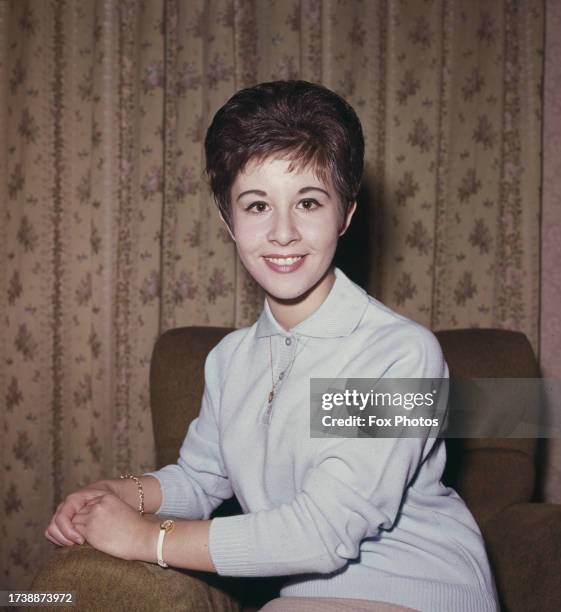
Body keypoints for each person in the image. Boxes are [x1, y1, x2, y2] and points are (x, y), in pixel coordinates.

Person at [45, 80, 500, 612]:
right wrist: (119, 494)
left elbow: (324, 530)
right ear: (228, 220)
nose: (283, 232)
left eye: (308, 201)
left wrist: (150, 539)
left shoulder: (402, 355)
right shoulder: (230, 360)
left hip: (423, 590)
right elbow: (199, 477)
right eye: (257, 205)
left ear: (346, 213)